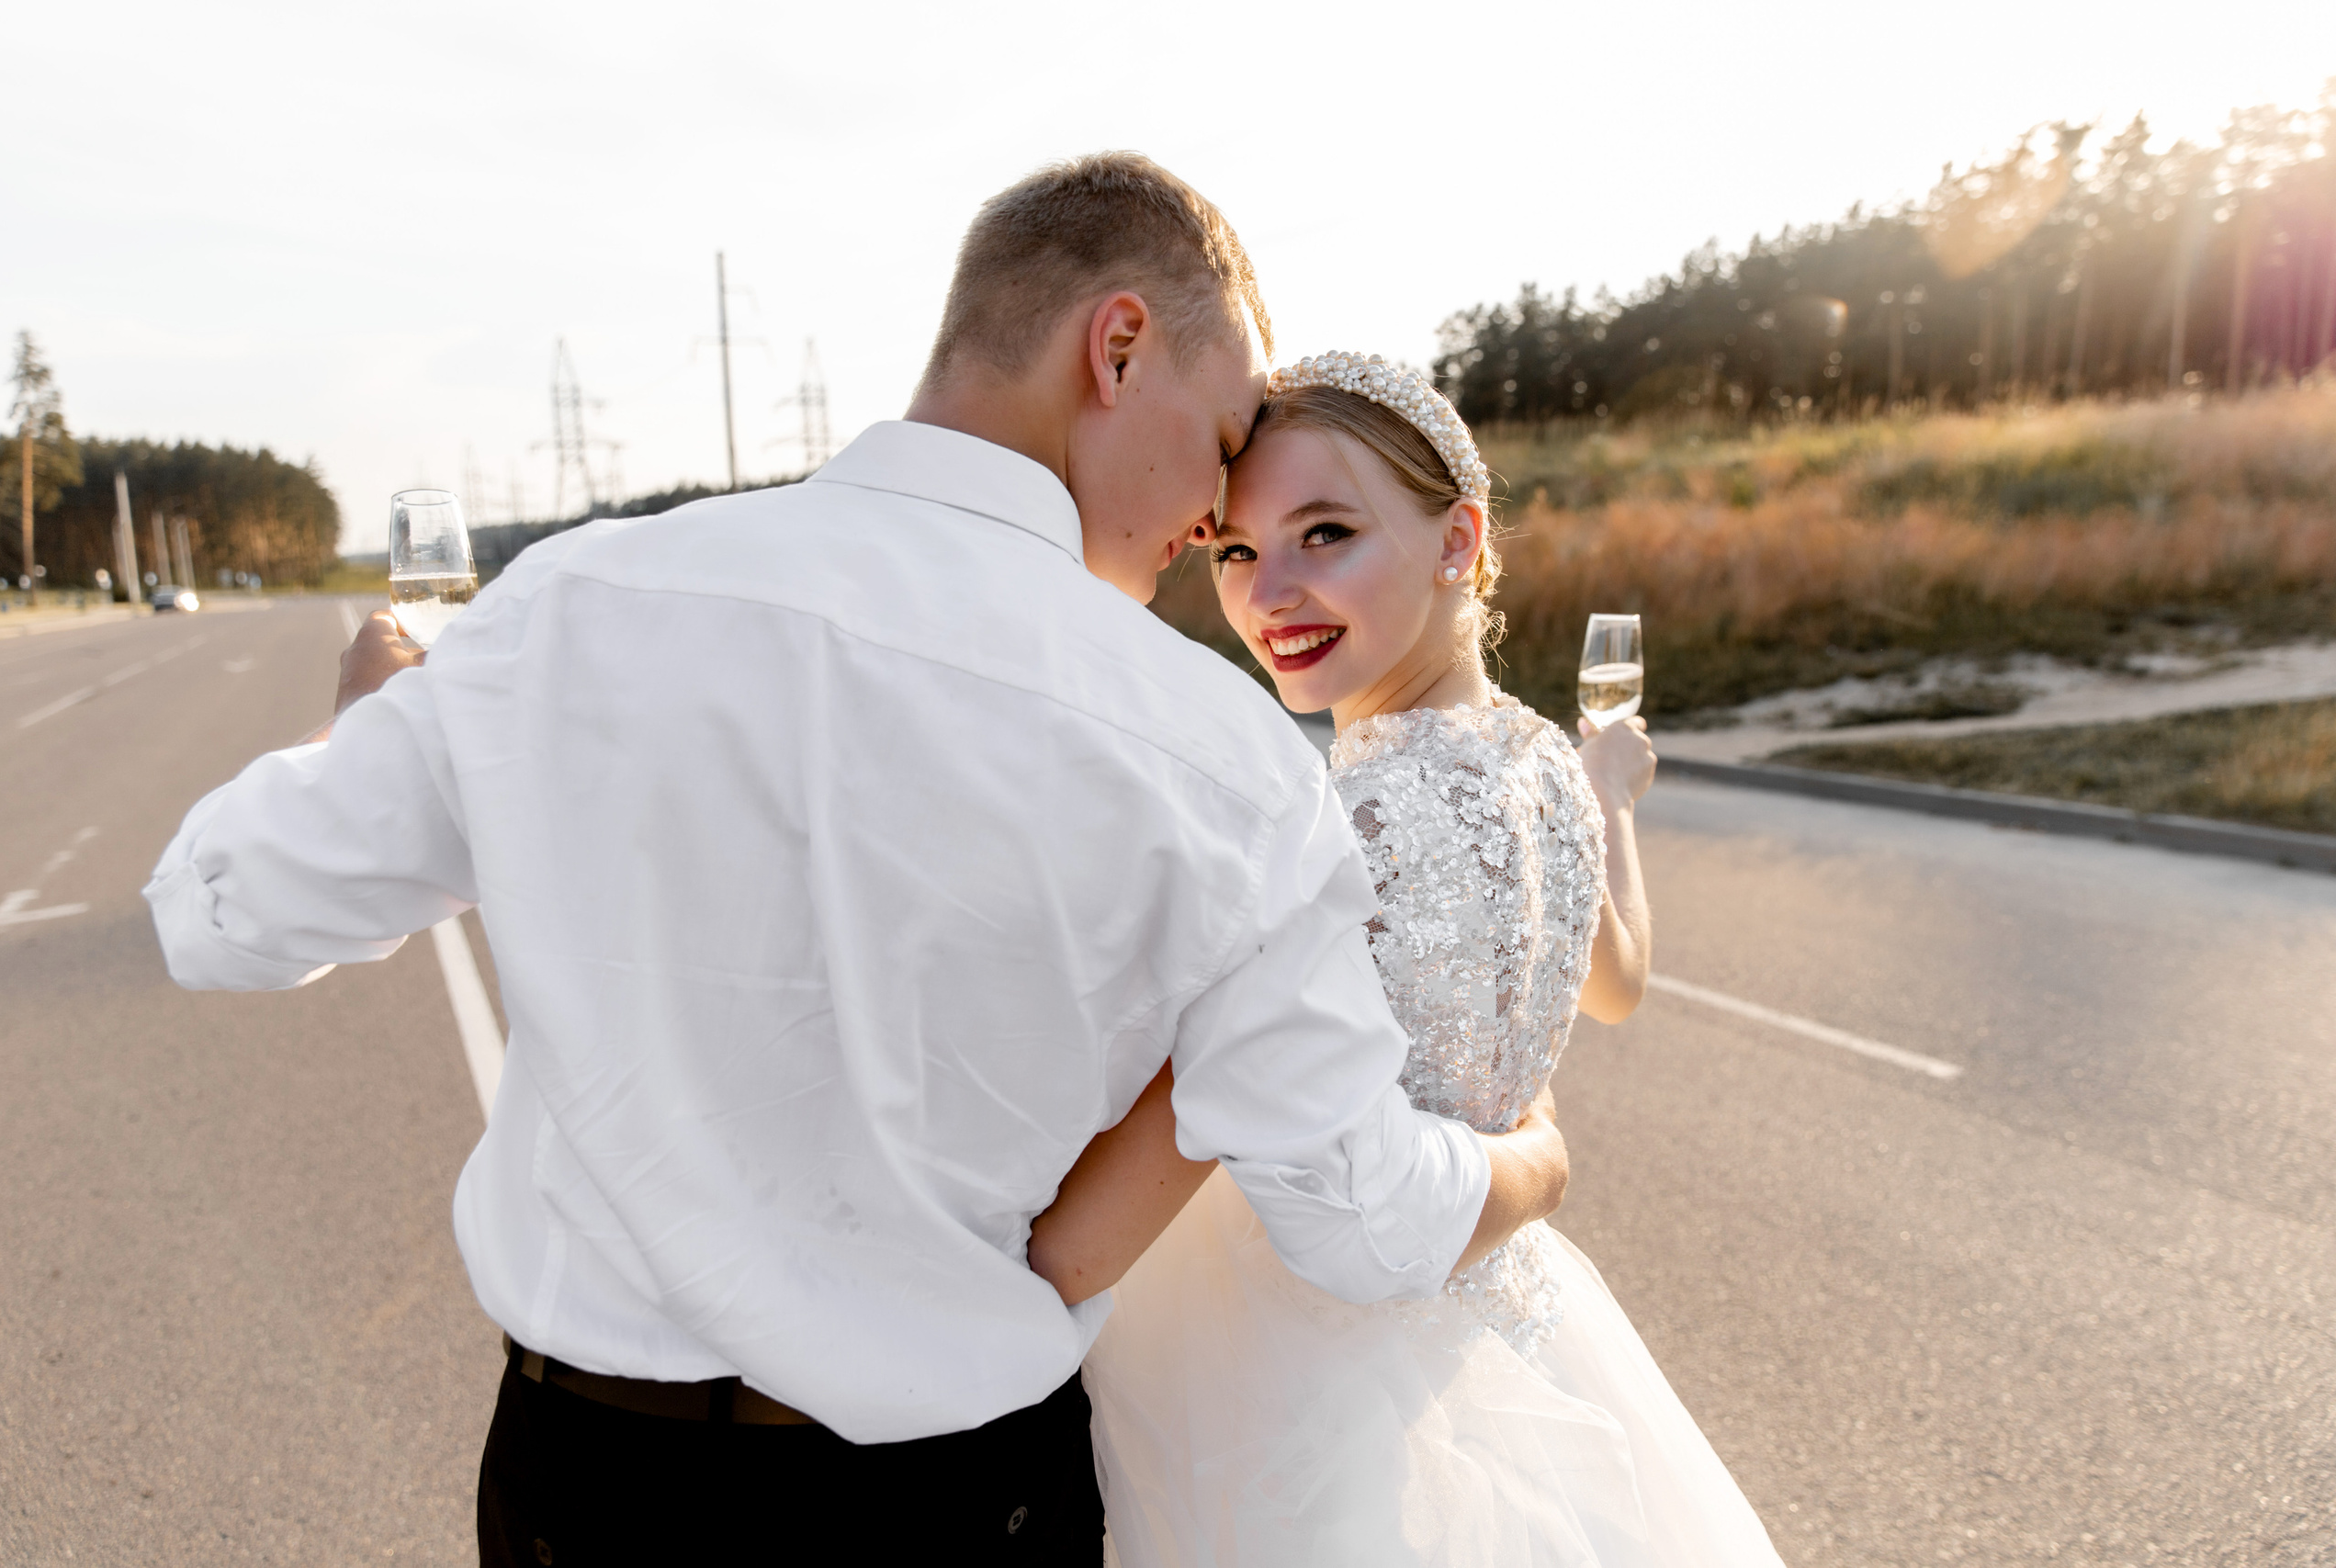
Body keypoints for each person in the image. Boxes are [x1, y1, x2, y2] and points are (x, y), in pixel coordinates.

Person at [141, 160, 1573, 1564]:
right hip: (939, 1512)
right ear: (1118, 347)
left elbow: (224, 916)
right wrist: (1534, 1163)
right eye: (1217, 443)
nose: (1214, 515)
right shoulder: (1224, 764)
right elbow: (1362, 1227)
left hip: (579, 1491)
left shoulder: (569, 607)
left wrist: (366, 737)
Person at [1031, 355, 1788, 1564]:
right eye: (1232, 549)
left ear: (1457, 539)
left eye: (1323, 534)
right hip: (1498, 1306)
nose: (1267, 591)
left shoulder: (1327, 820)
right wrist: (1615, 806)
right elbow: (1622, 981)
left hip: (1290, 1363)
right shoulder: (1549, 764)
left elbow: (1185, 1135)